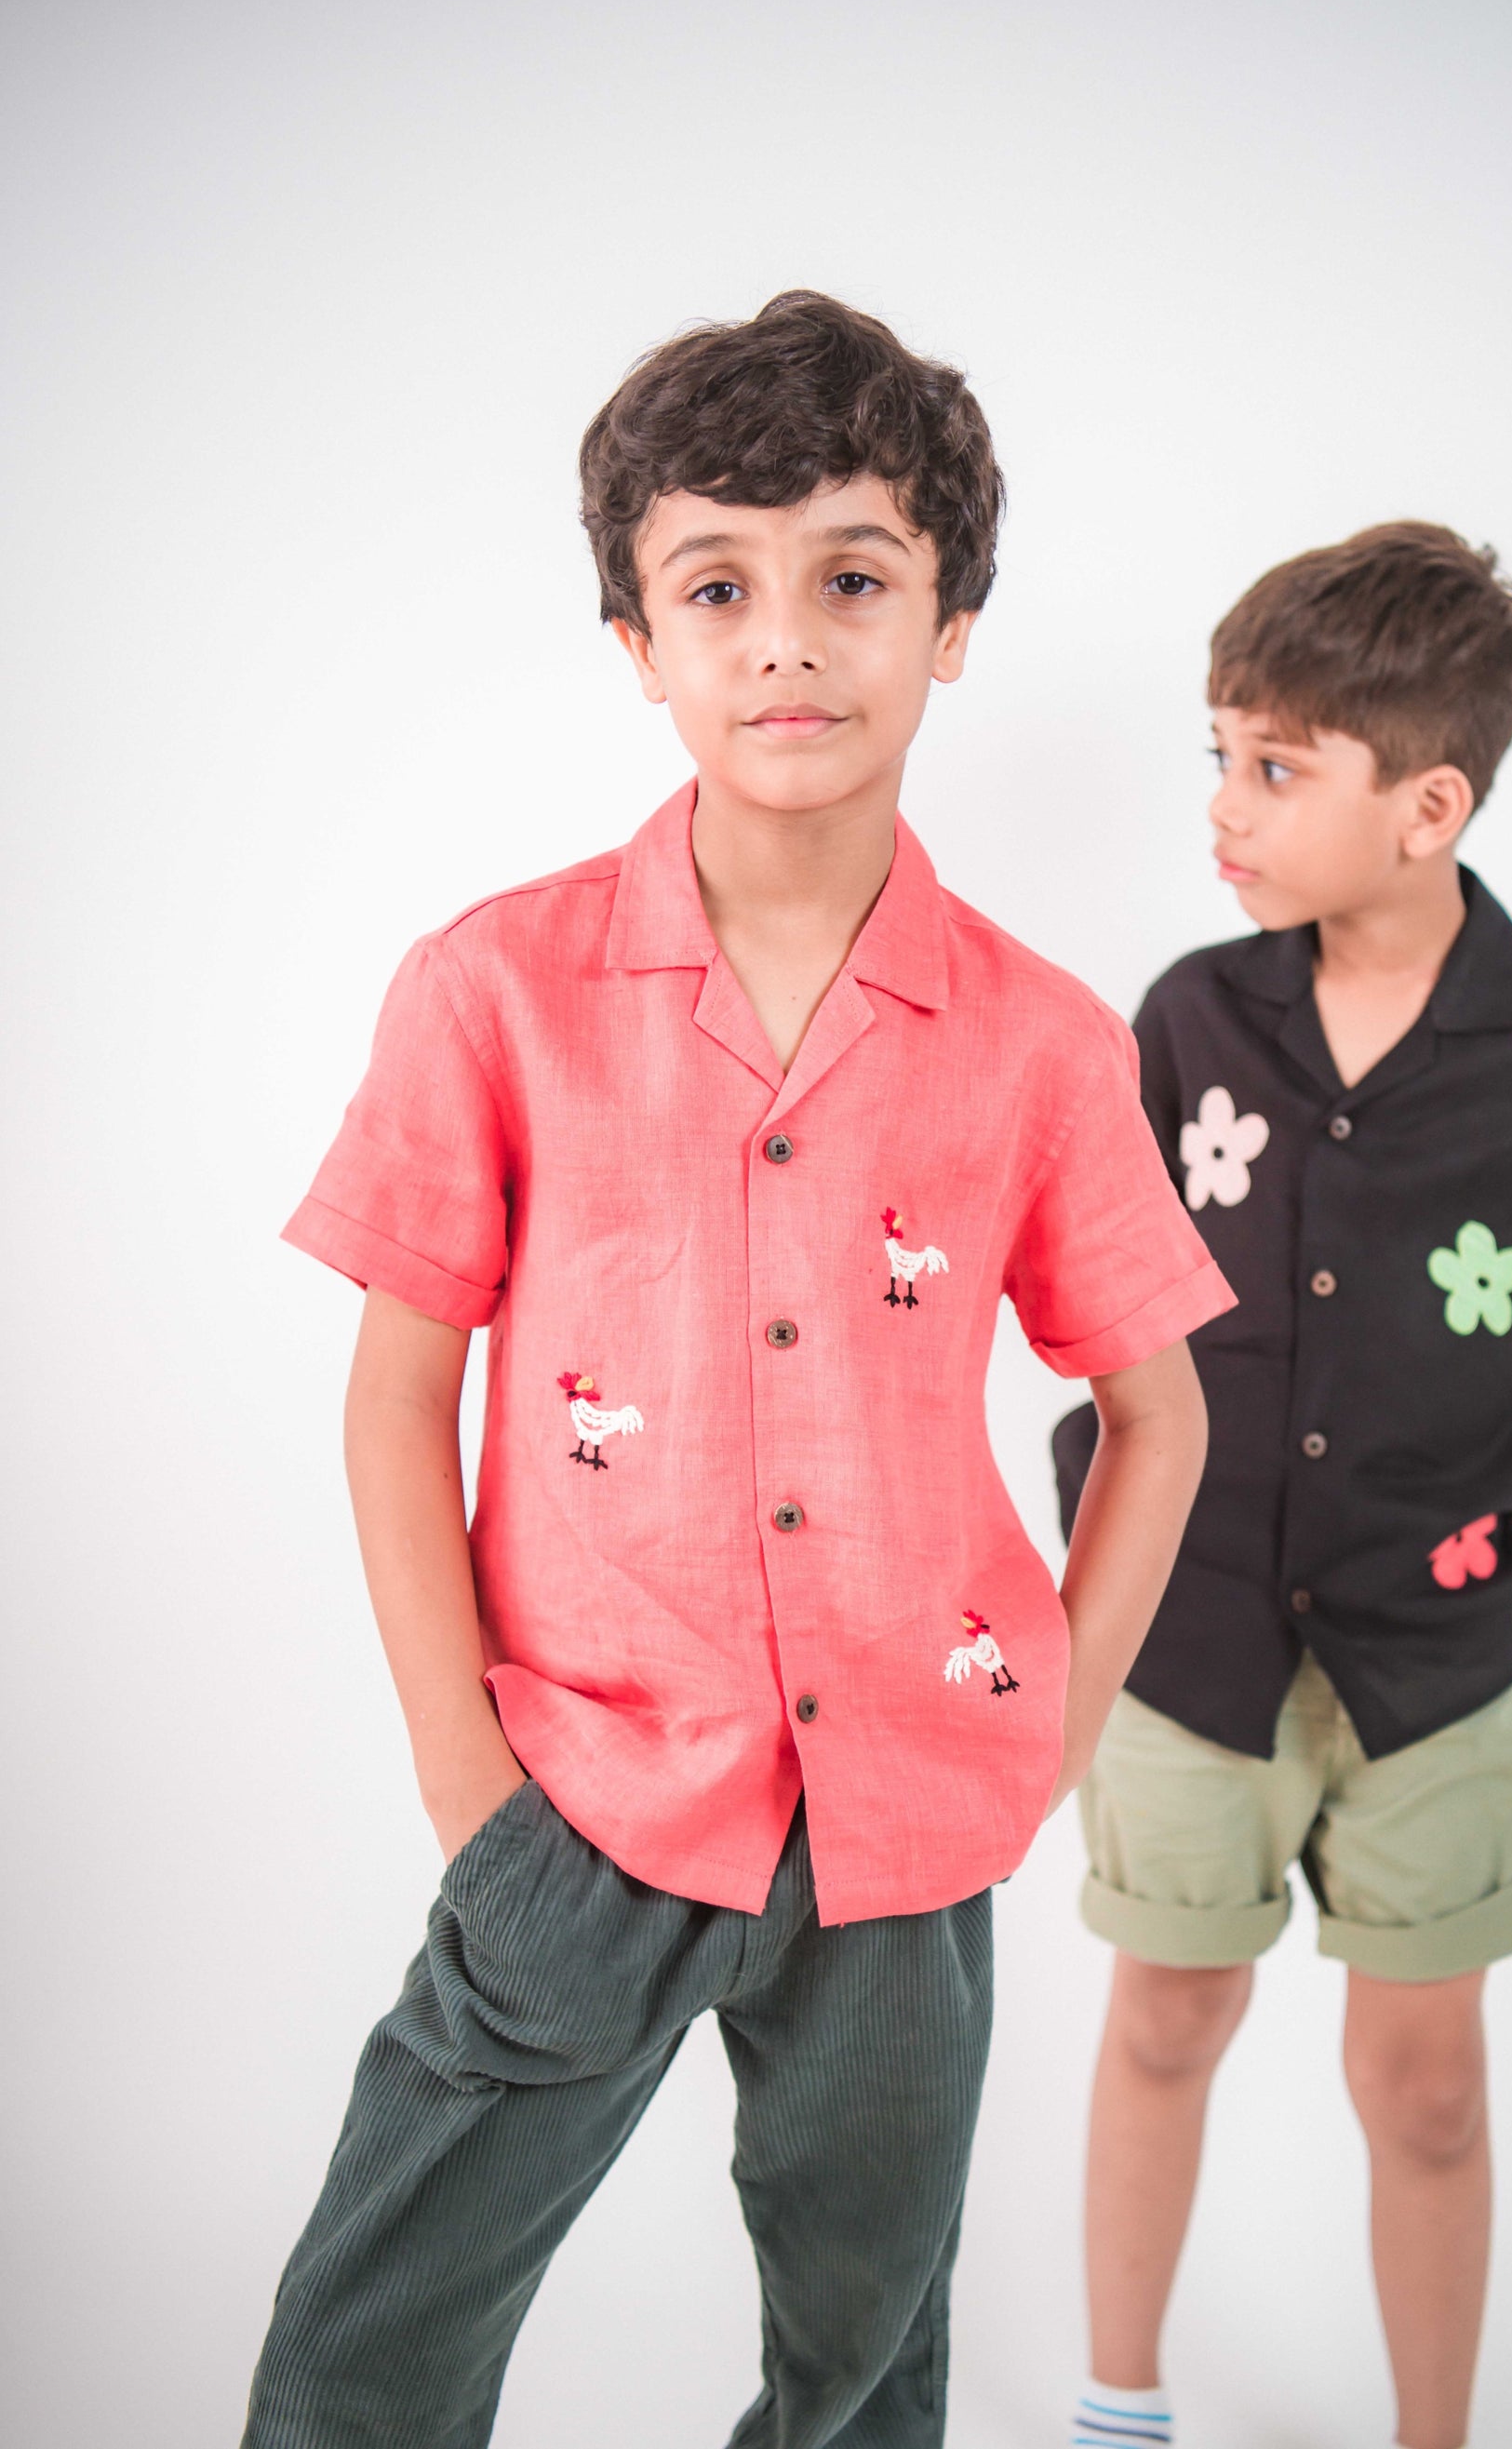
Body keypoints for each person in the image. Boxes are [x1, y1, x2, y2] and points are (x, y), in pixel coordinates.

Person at [242, 289, 1235, 2449]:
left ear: (947, 618)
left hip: (905, 1827)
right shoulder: (495, 991)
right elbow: (398, 1388)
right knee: (364, 2362)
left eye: (853, 580)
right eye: (719, 587)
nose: (787, 642)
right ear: (640, 643)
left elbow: (1159, 1407)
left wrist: (1036, 1745)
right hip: (580, 1804)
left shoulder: (1046, 1043)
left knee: (865, 2370)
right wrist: (463, 1789)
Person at [1054, 525, 1512, 2449]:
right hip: (1192, 1627)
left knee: (1426, 2087)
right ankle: (1115, 2406)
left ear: (1426, 804)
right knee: (1164, 2019)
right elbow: (1106, 1285)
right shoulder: (1190, 1018)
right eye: (1218, 754)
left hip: (1440, 1655)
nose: (1222, 807)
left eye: (1273, 766)